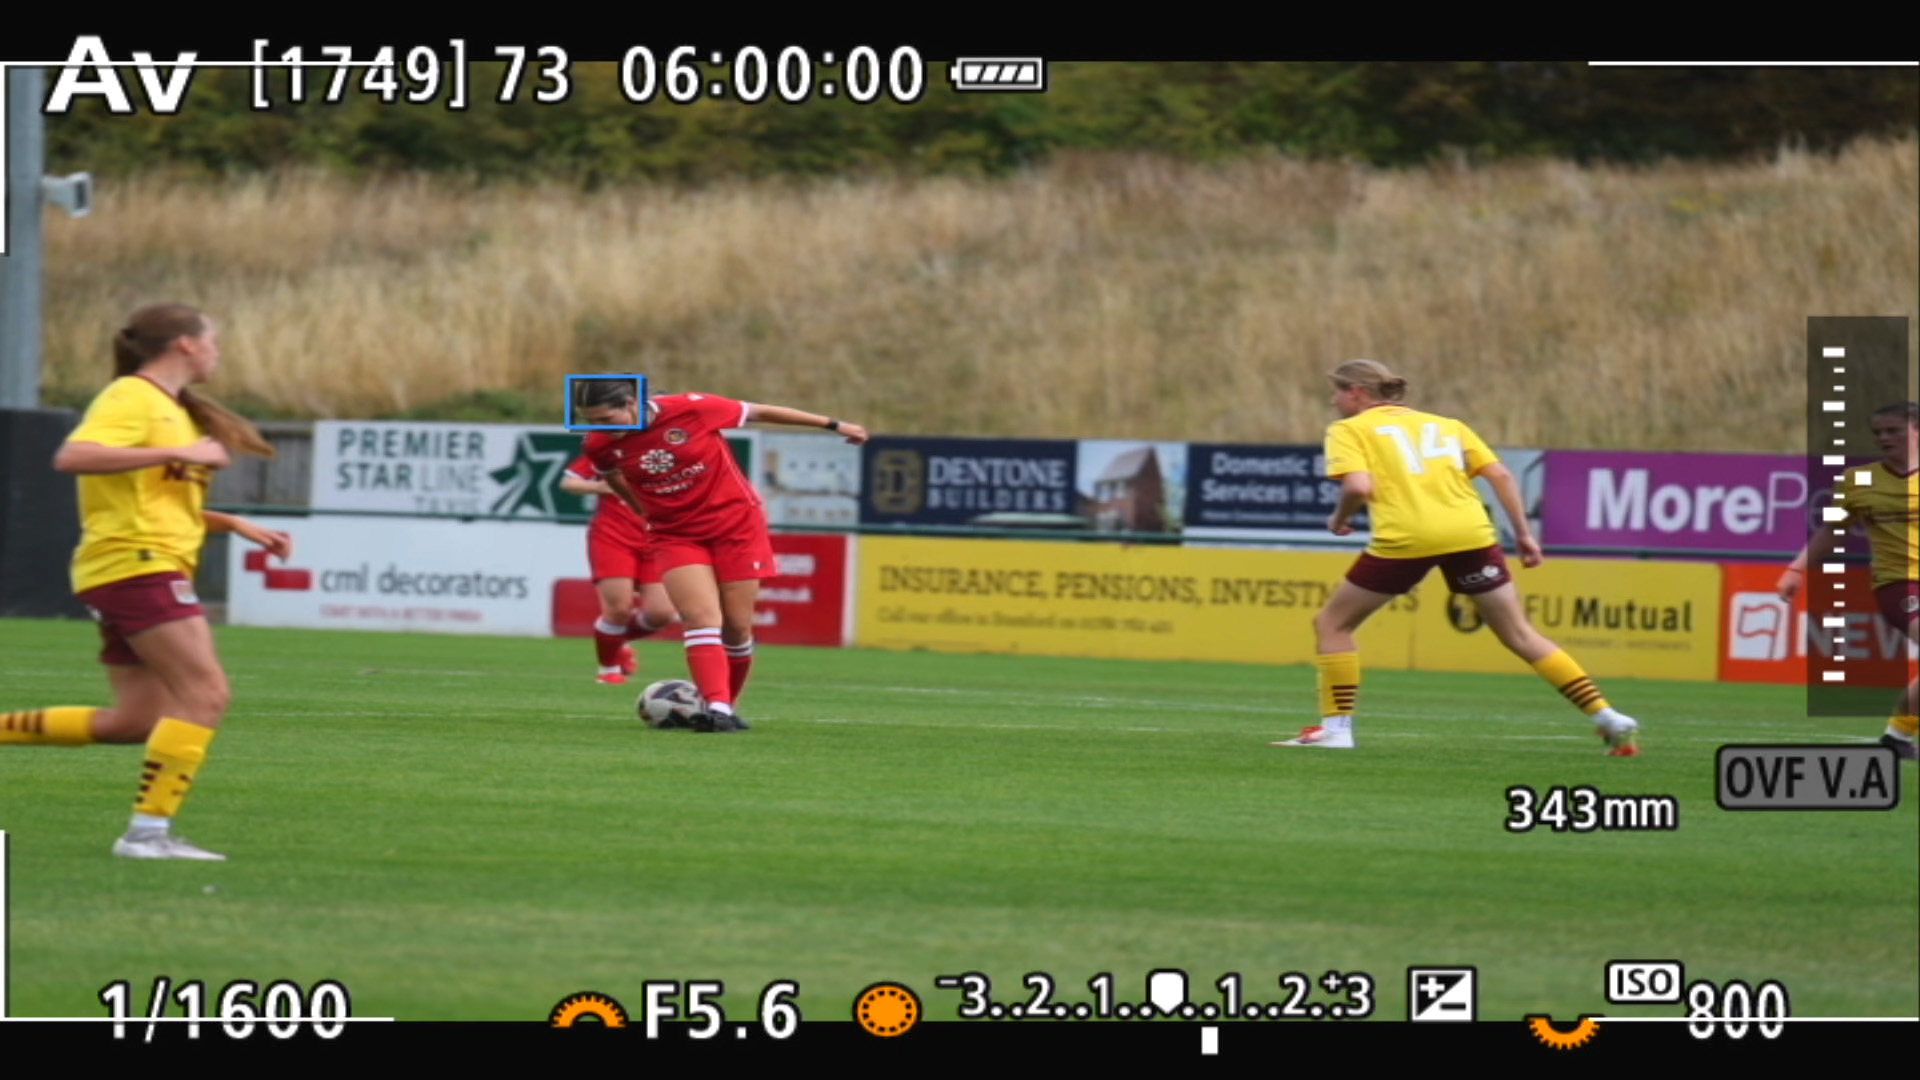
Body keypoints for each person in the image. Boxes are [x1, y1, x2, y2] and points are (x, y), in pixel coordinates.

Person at [0, 303, 290, 859]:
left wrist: (232, 523)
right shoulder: (132, 396)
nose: (217, 352)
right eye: (212, 340)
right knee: (206, 694)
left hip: (134, 565)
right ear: (185, 344)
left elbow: (150, 502)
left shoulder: (173, 410)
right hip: (136, 564)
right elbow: (74, 456)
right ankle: (147, 834)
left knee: (134, 722)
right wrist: (179, 451)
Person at [1272, 359, 1640, 754]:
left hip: (1409, 536)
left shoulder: (1348, 430)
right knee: (1519, 634)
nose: (1333, 402)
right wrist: (1523, 535)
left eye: (1337, 392)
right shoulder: (1448, 425)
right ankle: (1606, 715)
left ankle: (1336, 730)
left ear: (1357, 392)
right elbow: (1500, 475)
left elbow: (1359, 486)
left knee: (1332, 624)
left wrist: (1339, 518)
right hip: (1471, 534)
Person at [574, 378, 868, 732]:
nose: (599, 427)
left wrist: (833, 425)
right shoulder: (598, 443)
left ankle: (726, 705)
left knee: (737, 628)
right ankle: (716, 709)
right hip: (674, 534)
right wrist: (643, 510)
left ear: (631, 403)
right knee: (700, 617)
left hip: (736, 526)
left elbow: (760, 411)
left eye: (606, 418)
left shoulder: (691, 408)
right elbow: (613, 476)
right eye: (591, 420)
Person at [1778, 401, 1918, 761]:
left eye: (1893, 430)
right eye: (1878, 432)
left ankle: (1897, 736)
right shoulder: (1859, 480)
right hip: (1899, 584)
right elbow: (1831, 530)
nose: (1884, 438)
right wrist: (1796, 569)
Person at [558, 452, 677, 685]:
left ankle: (617, 640)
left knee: (661, 613)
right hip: (613, 536)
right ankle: (608, 669)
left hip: (658, 538)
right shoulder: (610, 448)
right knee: (618, 609)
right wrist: (602, 487)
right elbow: (569, 483)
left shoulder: (668, 451)